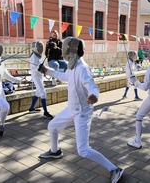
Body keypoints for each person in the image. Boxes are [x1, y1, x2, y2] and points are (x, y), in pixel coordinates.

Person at [37, 37, 124, 183]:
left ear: (71, 50)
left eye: (65, 48)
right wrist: (47, 70)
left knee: (83, 150)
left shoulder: (82, 68)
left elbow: (93, 87)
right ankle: (55, 151)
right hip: (71, 109)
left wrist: (94, 96)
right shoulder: (73, 65)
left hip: (82, 113)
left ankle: (114, 169)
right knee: (52, 126)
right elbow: (64, 76)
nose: (63, 50)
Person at [28, 41, 54, 119]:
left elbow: (40, 65)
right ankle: (45, 112)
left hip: (39, 76)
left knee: (38, 92)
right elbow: (33, 69)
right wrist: (39, 68)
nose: (41, 49)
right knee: (43, 92)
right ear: (37, 48)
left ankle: (32, 108)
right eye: (40, 47)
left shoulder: (39, 56)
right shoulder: (33, 57)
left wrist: (42, 67)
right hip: (35, 76)